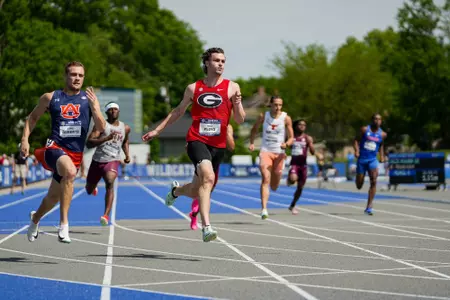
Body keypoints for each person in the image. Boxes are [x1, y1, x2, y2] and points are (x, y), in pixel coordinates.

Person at [142, 47, 245, 242]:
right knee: (208, 177)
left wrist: (238, 104)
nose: (221, 64)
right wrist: (158, 130)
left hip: (218, 144)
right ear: (207, 63)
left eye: (223, 61)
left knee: (199, 189)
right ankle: (206, 227)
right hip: (197, 139)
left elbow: (240, 120)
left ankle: (176, 191)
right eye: (216, 60)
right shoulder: (193, 88)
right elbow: (178, 111)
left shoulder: (233, 87)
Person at [22, 61, 106, 243]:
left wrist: (96, 107)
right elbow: (32, 118)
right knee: (69, 172)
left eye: (80, 76)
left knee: (52, 198)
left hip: (75, 154)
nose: (77, 78)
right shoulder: (51, 97)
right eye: (73, 74)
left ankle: (35, 219)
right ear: (65, 76)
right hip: (54, 148)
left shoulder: (88, 99)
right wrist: (25, 139)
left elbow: (101, 127)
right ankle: (64, 225)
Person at [85, 101, 131, 226]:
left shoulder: (125, 128)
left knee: (110, 182)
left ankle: (105, 215)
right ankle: (93, 187)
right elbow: (89, 143)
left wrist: (127, 155)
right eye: (110, 110)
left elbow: (125, 141)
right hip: (97, 161)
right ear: (106, 112)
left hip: (112, 160)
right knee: (88, 190)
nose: (113, 111)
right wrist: (105, 138)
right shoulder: (101, 126)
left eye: (115, 109)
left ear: (119, 111)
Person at [248, 96, 294, 219]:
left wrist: (287, 144)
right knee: (265, 178)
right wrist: (252, 143)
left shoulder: (286, 118)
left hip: (279, 153)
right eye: (275, 105)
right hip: (266, 151)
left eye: (280, 105)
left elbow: (291, 137)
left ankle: (276, 182)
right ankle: (264, 209)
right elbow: (254, 129)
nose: (277, 107)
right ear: (271, 105)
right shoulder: (264, 116)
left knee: (274, 185)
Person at [189, 124, 235, 230]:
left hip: (215, 161)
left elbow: (231, 147)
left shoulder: (228, 126)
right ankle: (203, 222)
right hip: (202, 157)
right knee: (200, 188)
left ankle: (194, 213)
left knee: (207, 191)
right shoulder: (205, 120)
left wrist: (227, 134)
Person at [354, 113, 387, 215]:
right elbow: (356, 140)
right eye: (375, 119)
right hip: (362, 159)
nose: (377, 121)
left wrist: (381, 156)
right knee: (359, 185)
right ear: (372, 120)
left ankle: (369, 206)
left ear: (381, 121)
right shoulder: (364, 130)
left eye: (379, 119)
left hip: (372, 160)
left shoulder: (383, 134)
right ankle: (359, 179)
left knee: (373, 180)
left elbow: (381, 144)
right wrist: (357, 150)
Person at [286, 119, 315, 214]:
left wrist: (311, 145)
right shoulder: (291, 137)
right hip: (294, 164)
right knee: (293, 179)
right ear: (296, 126)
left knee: (300, 188)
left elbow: (313, 152)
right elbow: (286, 147)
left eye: (304, 125)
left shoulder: (307, 138)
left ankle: (292, 204)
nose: (302, 126)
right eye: (300, 124)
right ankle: (290, 179)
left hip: (303, 166)